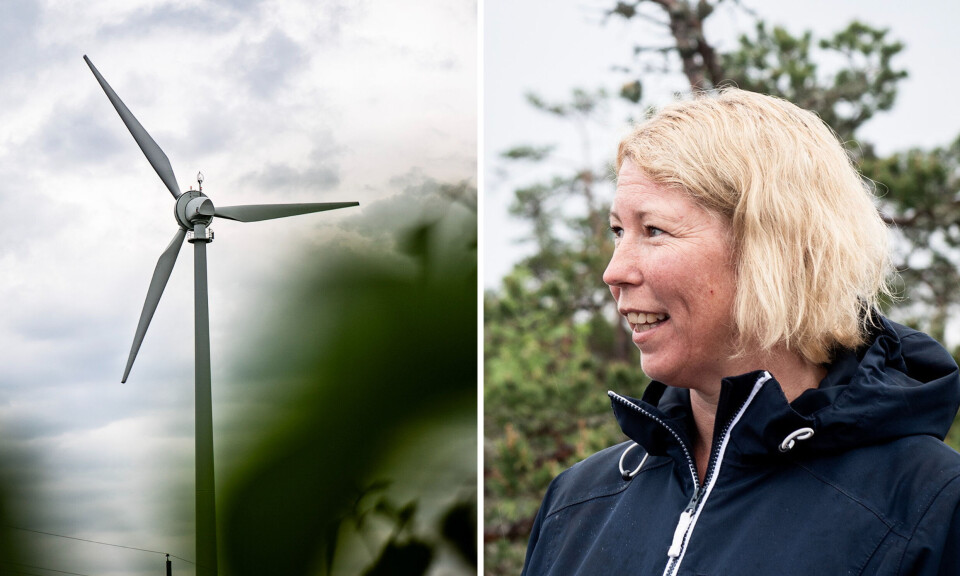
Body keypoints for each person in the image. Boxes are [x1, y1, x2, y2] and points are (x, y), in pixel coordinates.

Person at [520, 89, 960, 575]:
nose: (614, 270)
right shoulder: (578, 501)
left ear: (771, 248)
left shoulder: (930, 507)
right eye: (618, 231)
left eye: (654, 231)